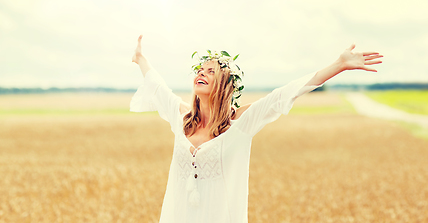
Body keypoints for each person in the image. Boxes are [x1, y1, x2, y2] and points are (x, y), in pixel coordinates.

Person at [130, 35, 383, 223]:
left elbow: (283, 94)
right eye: (200, 69)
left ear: (225, 84)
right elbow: (157, 87)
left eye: (211, 71)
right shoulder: (182, 118)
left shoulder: (241, 123)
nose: (201, 73)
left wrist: (338, 65)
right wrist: (141, 59)